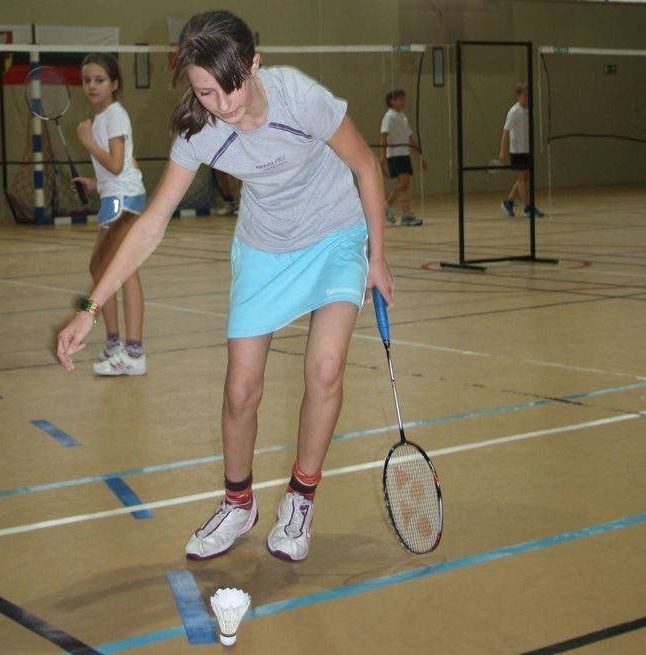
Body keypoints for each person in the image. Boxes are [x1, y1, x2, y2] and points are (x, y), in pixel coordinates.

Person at [56, 10, 394, 562]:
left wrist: (377, 257)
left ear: (253, 64)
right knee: (240, 390)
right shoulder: (202, 133)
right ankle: (239, 504)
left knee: (326, 367)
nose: (225, 104)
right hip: (264, 248)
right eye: (207, 92)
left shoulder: (300, 97)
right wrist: (90, 308)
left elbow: (366, 167)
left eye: (230, 86)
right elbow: (150, 226)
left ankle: (300, 497)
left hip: (334, 235)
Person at [72, 53, 148, 375]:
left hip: (124, 200)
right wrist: (95, 182)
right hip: (114, 195)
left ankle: (132, 351)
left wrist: (88, 143)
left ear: (115, 84)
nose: (92, 85)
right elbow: (119, 165)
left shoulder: (115, 114)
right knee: (102, 268)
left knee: (118, 270)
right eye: (87, 79)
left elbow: (117, 164)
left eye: (99, 80)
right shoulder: (103, 116)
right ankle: (116, 343)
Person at [379, 89, 425, 227]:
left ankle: (406, 216)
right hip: (395, 155)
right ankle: (386, 206)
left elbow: (411, 139)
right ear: (392, 101)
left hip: (404, 154)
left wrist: (420, 157)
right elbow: (383, 137)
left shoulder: (403, 118)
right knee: (404, 183)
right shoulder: (389, 117)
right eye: (400, 99)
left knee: (405, 186)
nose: (403, 102)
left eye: (404, 99)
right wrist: (382, 157)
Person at [498, 83, 543, 218]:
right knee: (522, 178)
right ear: (518, 96)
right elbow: (505, 131)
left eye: (529, 95)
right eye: (524, 95)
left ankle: (508, 202)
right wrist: (502, 151)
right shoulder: (514, 112)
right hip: (517, 150)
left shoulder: (530, 110)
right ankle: (528, 208)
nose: (527, 98)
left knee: (523, 178)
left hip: (527, 149)